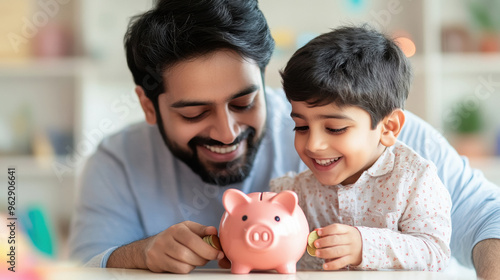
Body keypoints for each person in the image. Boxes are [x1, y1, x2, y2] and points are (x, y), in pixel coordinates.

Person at [67, 0, 500, 278]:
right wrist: (139, 255)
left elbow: (488, 218)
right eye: (194, 112)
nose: (226, 132)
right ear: (148, 105)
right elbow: (76, 270)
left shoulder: (375, 138)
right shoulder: (117, 162)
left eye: (243, 102)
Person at [270, 25, 451, 271]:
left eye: (334, 128)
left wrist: (365, 245)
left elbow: (435, 253)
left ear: (388, 128)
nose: (313, 144)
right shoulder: (294, 193)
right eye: (301, 127)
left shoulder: (415, 181)